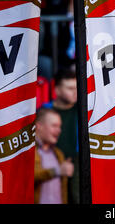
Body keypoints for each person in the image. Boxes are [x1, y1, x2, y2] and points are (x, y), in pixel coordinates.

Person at [42, 67, 80, 203]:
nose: (75, 92)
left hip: (78, 168)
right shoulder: (43, 112)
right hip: (50, 167)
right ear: (57, 90)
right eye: (70, 88)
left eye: (77, 87)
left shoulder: (83, 110)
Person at [34, 108, 74, 204]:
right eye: (54, 126)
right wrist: (57, 171)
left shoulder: (58, 154)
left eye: (59, 126)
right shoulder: (29, 151)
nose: (59, 130)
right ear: (38, 126)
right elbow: (31, 175)